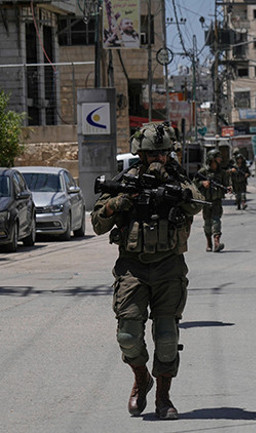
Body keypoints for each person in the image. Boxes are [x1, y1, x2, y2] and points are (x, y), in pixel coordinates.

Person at [91, 123, 205, 419]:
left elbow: (196, 204)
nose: (157, 158)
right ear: (139, 154)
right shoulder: (126, 180)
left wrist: (175, 191)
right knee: (128, 336)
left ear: (170, 154)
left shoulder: (178, 179)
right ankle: (142, 378)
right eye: (151, 153)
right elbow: (97, 223)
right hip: (132, 267)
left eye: (163, 153)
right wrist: (118, 204)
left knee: (167, 337)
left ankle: (163, 398)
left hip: (169, 266)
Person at [195, 149, 232, 252]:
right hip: (206, 201)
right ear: (212, 159)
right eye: (218, 157)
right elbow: (194, 184)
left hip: (217, 200)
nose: (220, 159)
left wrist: (228, 188)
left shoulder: (222, 172)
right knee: (207, 222)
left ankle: (216, 242)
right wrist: (202, 183)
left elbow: (226, 184)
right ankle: (208, 243)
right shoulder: (203, 172)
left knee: (216, 220)